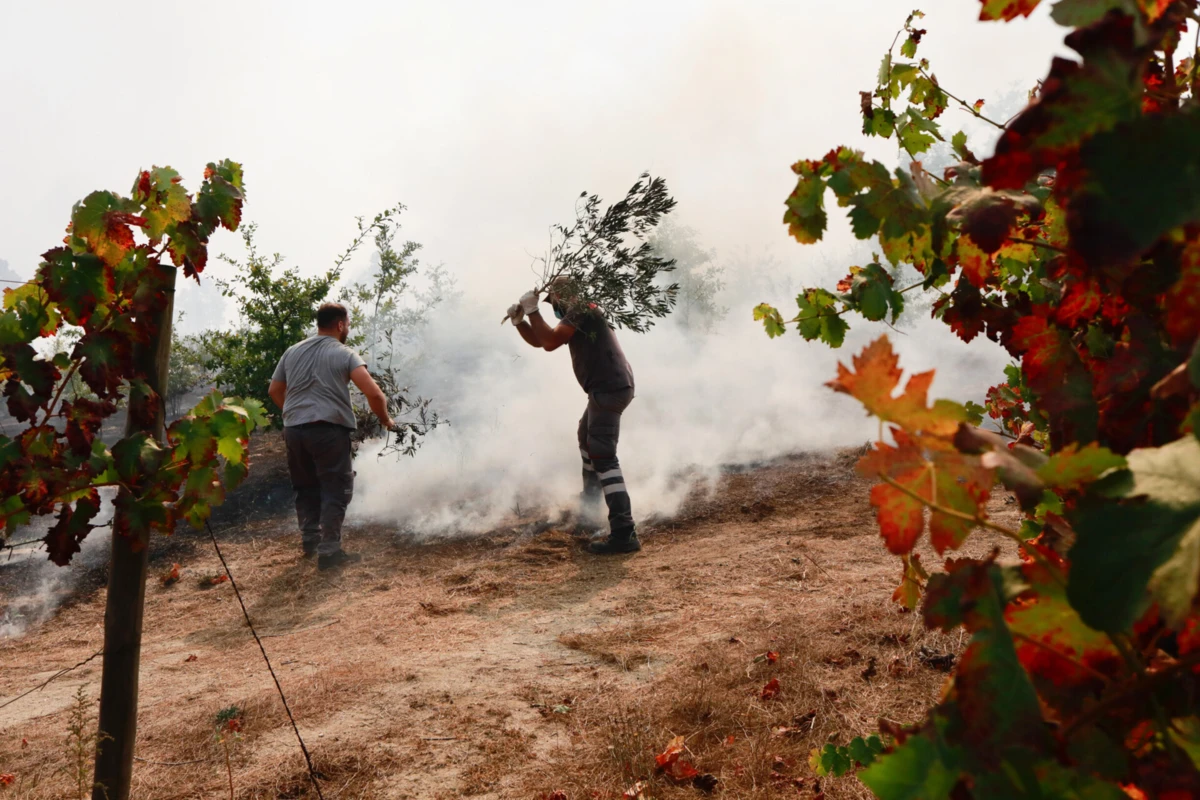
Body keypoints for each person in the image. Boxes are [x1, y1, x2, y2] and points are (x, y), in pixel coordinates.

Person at [507, 278, 640, 554]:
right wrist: (521, 322)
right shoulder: (577, 314)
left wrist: (533, 312)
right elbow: (541, 340)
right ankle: (589, 510)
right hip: (604, 390)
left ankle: (624, 533)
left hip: (609, 388)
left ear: (563, 295)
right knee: (585, 438)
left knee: (603, 454)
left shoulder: (582, 309)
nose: (552, 306)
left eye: (552, 300)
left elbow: (550, 342)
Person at [268, 302, 395, 570]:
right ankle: (329, 552)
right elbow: (374, 394)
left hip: (294, 430)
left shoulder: (292, 352)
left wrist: (293, 413)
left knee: (305, 486)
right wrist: (385, 420)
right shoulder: (344, 353)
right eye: (347, 324)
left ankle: (310, 539)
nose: (347, 328)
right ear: (340, 325)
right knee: (335, 488)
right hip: (327, 430)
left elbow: (275, 390)